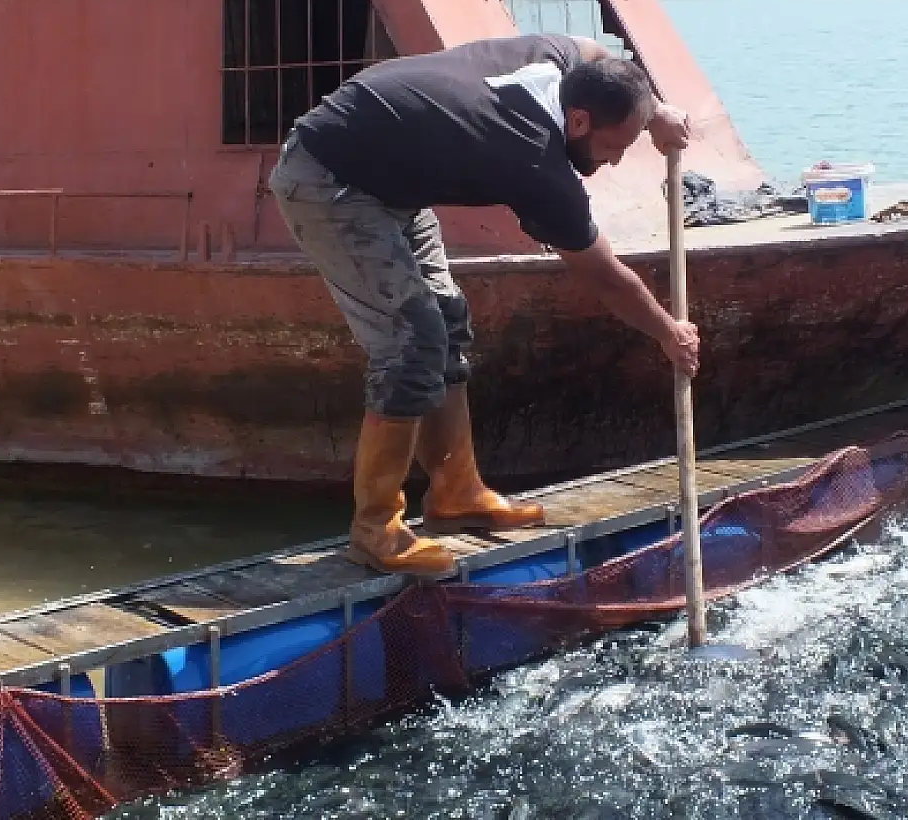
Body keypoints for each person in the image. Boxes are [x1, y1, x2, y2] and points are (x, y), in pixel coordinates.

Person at [269, 32, 697, 577]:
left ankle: (456, 493)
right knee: (411, 340)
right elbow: (602, 275)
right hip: (329, 181)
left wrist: (653, 111)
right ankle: (375, 527)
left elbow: (594, 49)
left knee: (447, 320)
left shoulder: (559, 65)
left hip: (392, 180)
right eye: (615, 147)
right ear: (581, 122)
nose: (613, 162)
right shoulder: (534, 161)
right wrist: (668, 331)